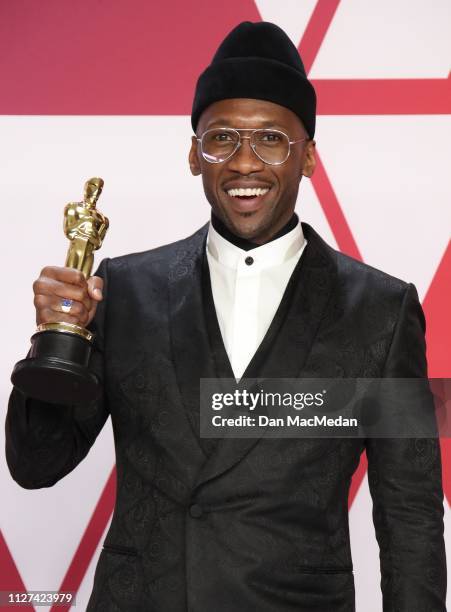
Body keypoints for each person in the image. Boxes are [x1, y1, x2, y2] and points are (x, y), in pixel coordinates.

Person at [5, 21, 446, 612]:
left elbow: (410, 516)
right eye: (222, 139)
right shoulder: (123, 290)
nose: (244, 163)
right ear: (194, 154)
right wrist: (58, 339)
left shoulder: (381, 311)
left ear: (309, 156)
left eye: (271, 139)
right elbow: (36, 464)